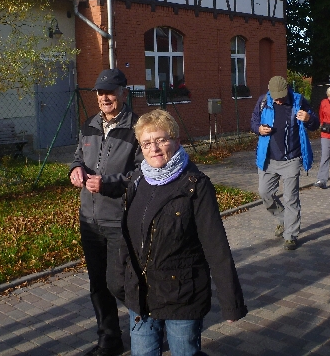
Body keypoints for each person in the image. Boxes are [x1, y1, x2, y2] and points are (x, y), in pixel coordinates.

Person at [118, 109, 247, 356]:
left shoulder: (196, 186)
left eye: (161, 140)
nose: (154, 148)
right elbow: (127, 236)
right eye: (147, 143)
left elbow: (216, 248)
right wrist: (117, 281)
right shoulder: (137, 180)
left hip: (182, 296)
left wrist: (231, 304)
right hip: (141, 296)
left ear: (177, 141)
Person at [70, 68, 142, 356]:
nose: (104, 97)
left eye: (110, 91)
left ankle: (146, 331)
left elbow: (143, 174)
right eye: (100, 92)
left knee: (123, 283)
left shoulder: (138, 128)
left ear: (124, 93)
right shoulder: (88, 125)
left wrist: (111, 184)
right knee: (98, 283)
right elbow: (78, 156)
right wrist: (75, 169)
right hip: (89, 219)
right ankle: (109, 340)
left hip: (120, 220)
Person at [251, 76, 319, 250]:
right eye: (275, 96)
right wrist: (258, 129)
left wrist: (308, 118)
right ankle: (283, 219)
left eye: (280, 96)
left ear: (287, 90)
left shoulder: (299, 101)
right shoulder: (263, 101)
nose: (277, 100)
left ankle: (291, 235)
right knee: (264, 193)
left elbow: (315, 123)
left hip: (292, 158)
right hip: (268, 157)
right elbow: (254, 121)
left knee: (291, 198)